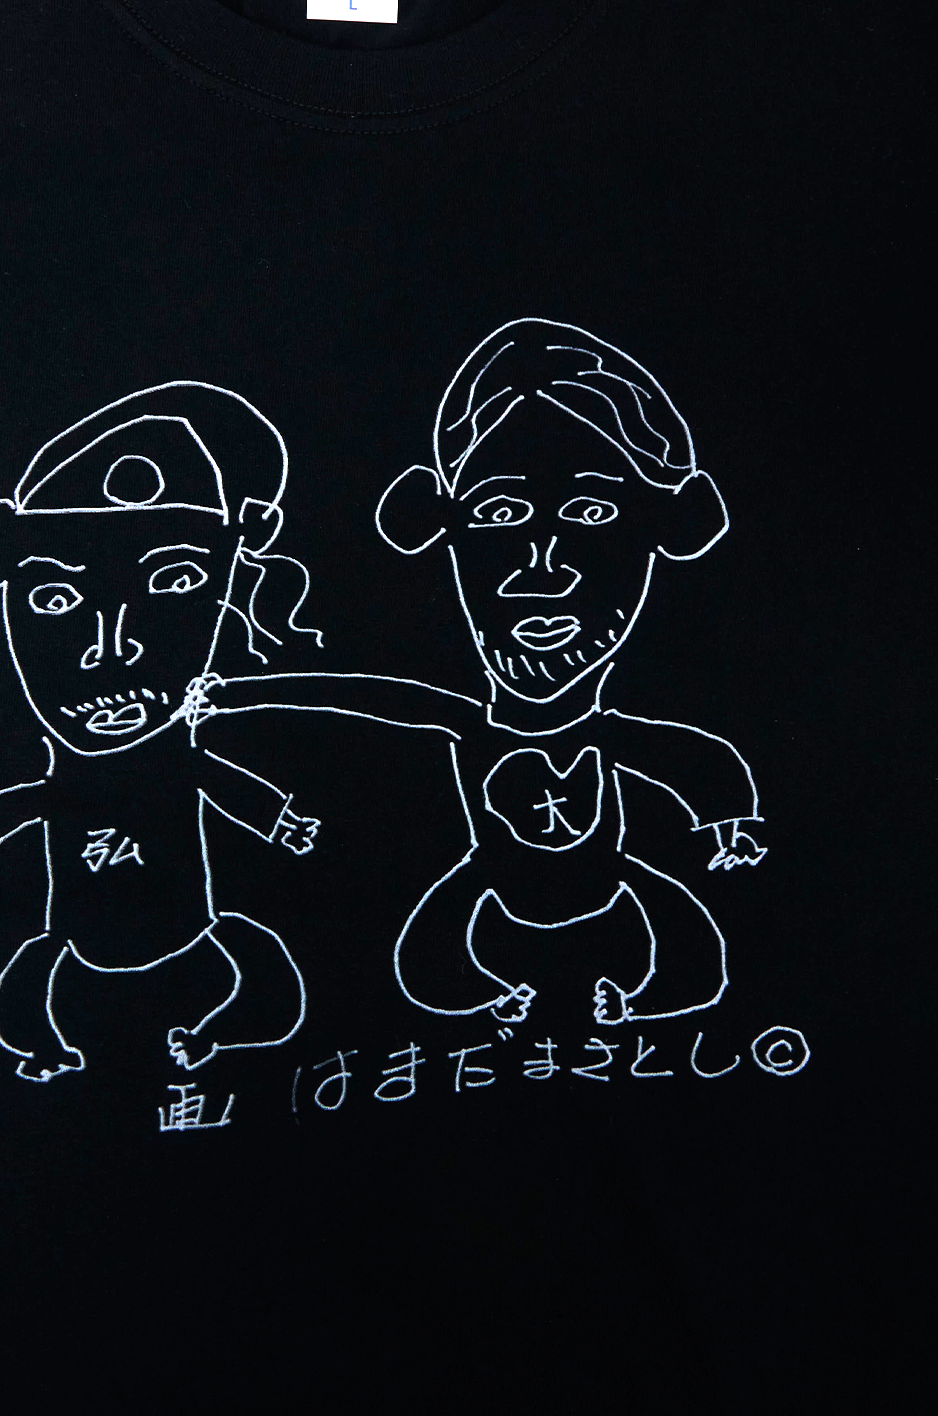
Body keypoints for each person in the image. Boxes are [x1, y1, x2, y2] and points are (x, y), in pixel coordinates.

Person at [199, 320, 766, 1029]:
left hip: (610, 889)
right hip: (487, 886)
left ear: (666, 528)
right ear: (444, 530)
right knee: (427, 961)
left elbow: (696, 758)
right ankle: (493, 999)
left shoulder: (608, 737)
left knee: (689, 949)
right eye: (500, 512)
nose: (541, 564)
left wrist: (730, 822)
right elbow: (367, 698)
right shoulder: (468, 726)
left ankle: (639, 1001)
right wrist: (239, 692)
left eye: (590, 511)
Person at [0, 381, 321, 1080]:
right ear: (6, 614)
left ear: (225, 593)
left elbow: (218, 781)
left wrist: (277, 819)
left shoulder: (184, 762)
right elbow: (6, 810)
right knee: (30, 979)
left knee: (259, 970)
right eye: (54, 598)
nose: (110, 648)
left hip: (194, 932)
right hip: (79, 945)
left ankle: (216, 1035)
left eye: (173, 583)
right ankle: (44, 1046)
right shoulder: (63, 788)